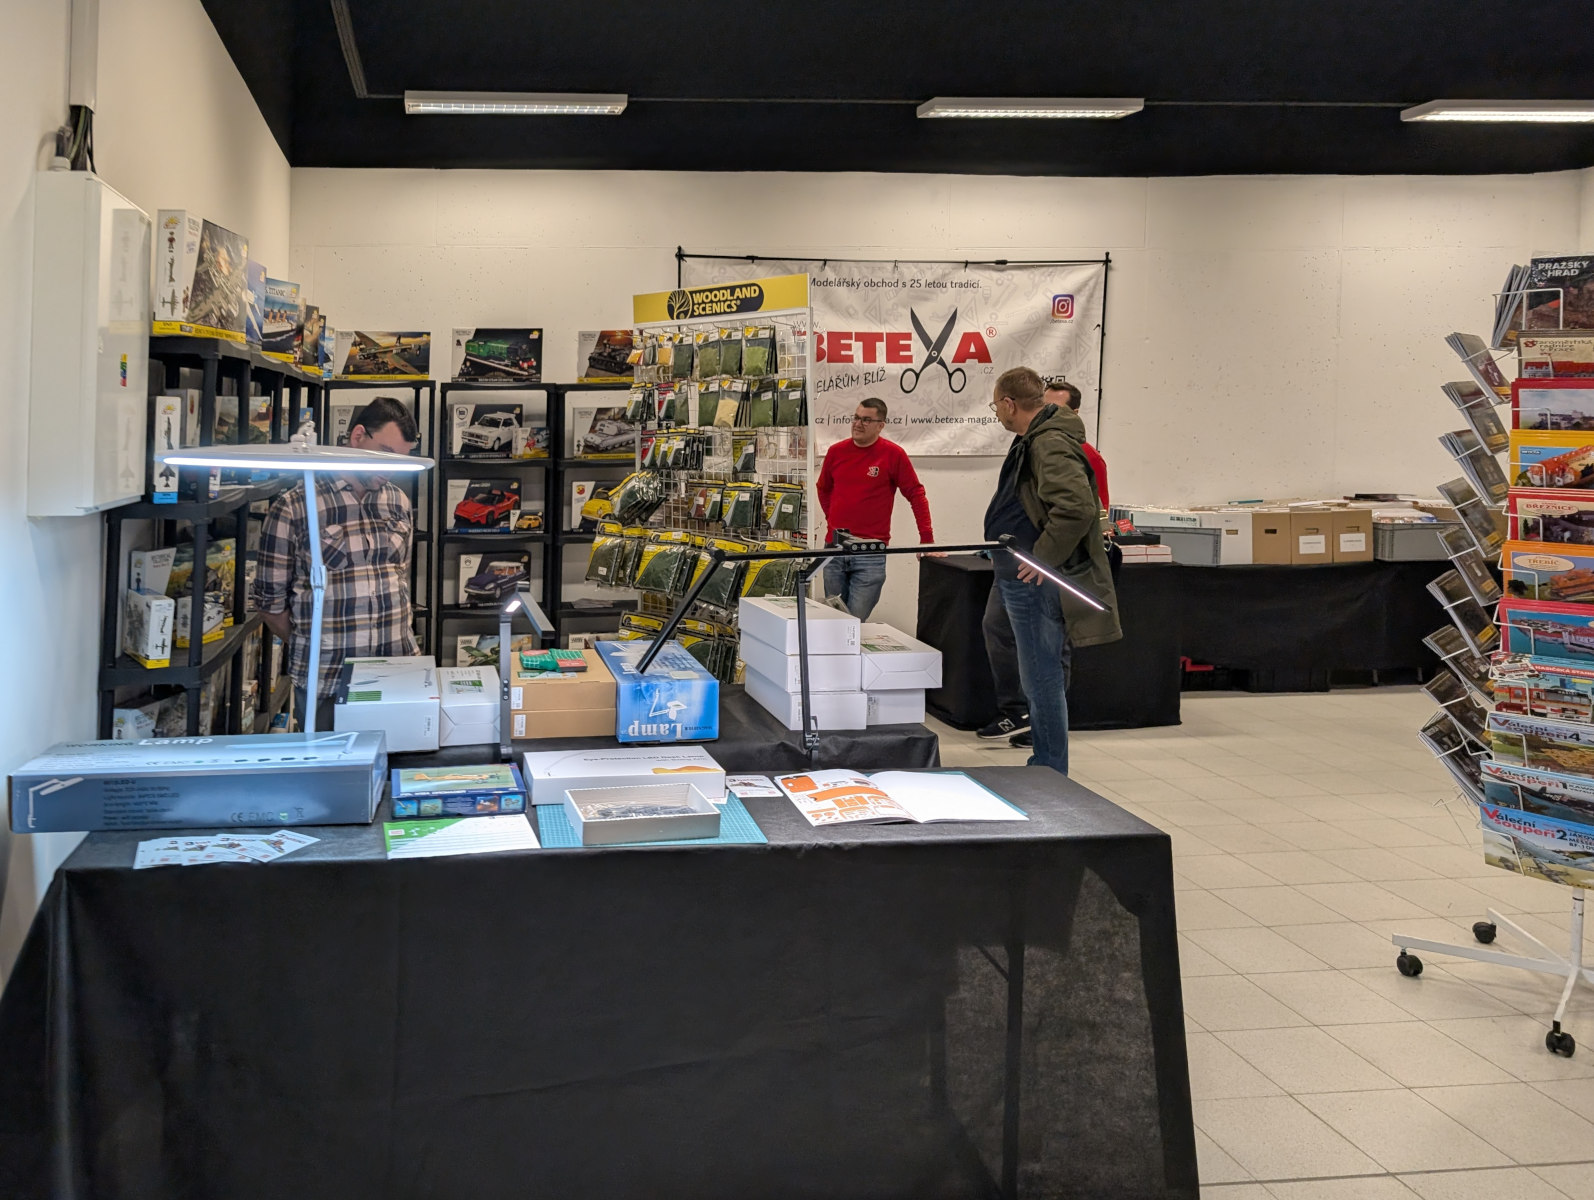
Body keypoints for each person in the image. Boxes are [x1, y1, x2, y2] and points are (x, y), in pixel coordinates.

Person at [252, 396, 421, 732]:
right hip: (328, 680)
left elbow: (400, 574)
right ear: (357, 436)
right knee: (330, 762)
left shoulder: (397, 501)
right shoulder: (296, 506)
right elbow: (270, 605)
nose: (390, 470)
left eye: (400, 460)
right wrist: (315, 643)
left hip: (398, 673)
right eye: (385, 454)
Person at [982, 367, 1120, 774]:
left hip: (1034, 580)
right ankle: (1046, 765)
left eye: (996, 405)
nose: (997, 413)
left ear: (1010, 403)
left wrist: (1041, 558)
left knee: (1041, 677)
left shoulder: (1048, 443)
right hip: (1020, 573)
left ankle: (1049, 769)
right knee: (1037, 676)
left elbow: (1076, 508)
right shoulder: (1034, 439)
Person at [815, 397, 935, 619]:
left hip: (870, 551)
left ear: (881, 425)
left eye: (866, 420)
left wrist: (926, 538)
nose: (858, 424)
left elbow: (916, 494)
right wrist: (833, 520)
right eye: (856, 417)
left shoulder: (893, 455)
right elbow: (823, 488)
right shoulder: (836, 452)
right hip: (834, 547)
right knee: (834, 619)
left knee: (855, 620)